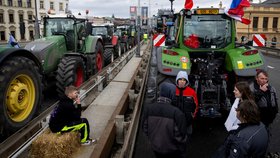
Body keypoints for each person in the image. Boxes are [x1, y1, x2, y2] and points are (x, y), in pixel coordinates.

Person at [142, 82, 188, 158]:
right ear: (171, 94)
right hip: (172, 151)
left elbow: (145, 129)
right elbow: (181, 137)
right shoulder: (177, 113)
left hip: (156, 149)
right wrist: (182, 152)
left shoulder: (148, 109)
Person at [173, 71, 199, 136]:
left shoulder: (192, 92)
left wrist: (192, 116)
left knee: (187, 138)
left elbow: (196, 106)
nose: (182, 81)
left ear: (186, 81)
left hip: (187, 122)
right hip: (175, 122)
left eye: (184, 80)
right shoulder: (173, 90)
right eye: (180, 79)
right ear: (177, 80)